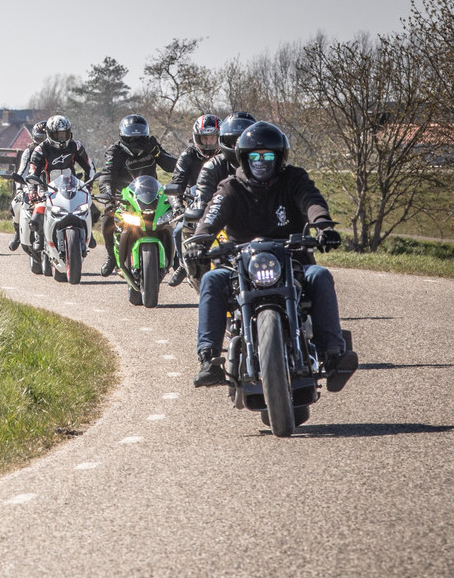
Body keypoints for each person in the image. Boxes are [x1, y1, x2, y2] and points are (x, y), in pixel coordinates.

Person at [184, 121, 358, 392]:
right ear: (244, 158)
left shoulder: (294, 179)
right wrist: (200, 240)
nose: (261, 162)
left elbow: (311, 200)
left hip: (294, 261)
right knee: (212, 280)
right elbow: (213, 213)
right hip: (240, 266)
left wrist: (323, 225)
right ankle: (208, 359)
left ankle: (334, 355)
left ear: (279, 158)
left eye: (268, 156)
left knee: (320, 275)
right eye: (255, 156)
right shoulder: (231, 186)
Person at [98, 114, 178, 276]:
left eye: (140, 135)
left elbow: (172, 166)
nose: (136, 139)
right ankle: (112, 257)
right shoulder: (114, 152)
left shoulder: (151, 145)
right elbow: (107, 175)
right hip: (125, 198)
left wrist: (159, 154)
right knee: (107, 220)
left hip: (152, 195)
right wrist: (108, 197)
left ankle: (177, 258)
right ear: (123, 135)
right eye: (132, 136)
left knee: (175, 217)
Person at [12, 115, 96, 251]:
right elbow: (32, 173)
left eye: (64, 133)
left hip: (71, 188)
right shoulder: (40, 150)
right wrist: (32, 190)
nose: (62, 138)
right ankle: (40, 236)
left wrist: (89, 186)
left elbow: (89, 166)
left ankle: (88, 234)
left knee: (92, 209)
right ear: (50, 134)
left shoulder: (76, 145)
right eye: (58, 134)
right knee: (37, 215)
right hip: (47, 189)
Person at [166, 114, 221, 286]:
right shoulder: (187, 156)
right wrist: (177, 206)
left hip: (224, 203)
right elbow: (176, 184)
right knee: (178, 230)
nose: (209, 143)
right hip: (195, 203)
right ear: (197, 138)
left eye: (213, 138)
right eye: (205, 138)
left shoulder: (228, 155)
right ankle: (183, 264)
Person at [7, 122, 48, 250]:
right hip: (30, 184)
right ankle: (18, 233)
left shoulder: (53, 151)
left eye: (44, 139)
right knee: (16, 205)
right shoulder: (29, 151)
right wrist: (19, 189)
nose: (41, 142)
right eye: (39, 139)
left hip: (50, 186)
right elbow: (22, 170)